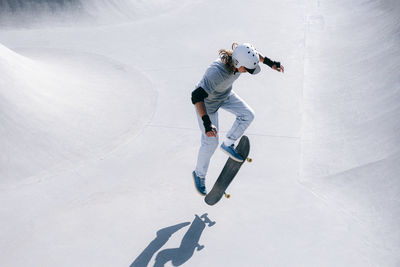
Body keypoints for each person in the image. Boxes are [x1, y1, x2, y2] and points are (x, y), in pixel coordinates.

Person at [191, 42, 284, 195]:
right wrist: (207, 124)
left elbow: (253, 55)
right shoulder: (216, 72)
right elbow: (196, 96)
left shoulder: (240, 56)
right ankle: (199, 174)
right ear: (237, 63)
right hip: (207, 105)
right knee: (210, 142)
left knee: (248, 115)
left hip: (225, 95)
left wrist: (271, 63)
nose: (247, 72)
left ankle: (228, 144)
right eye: (246, 70)